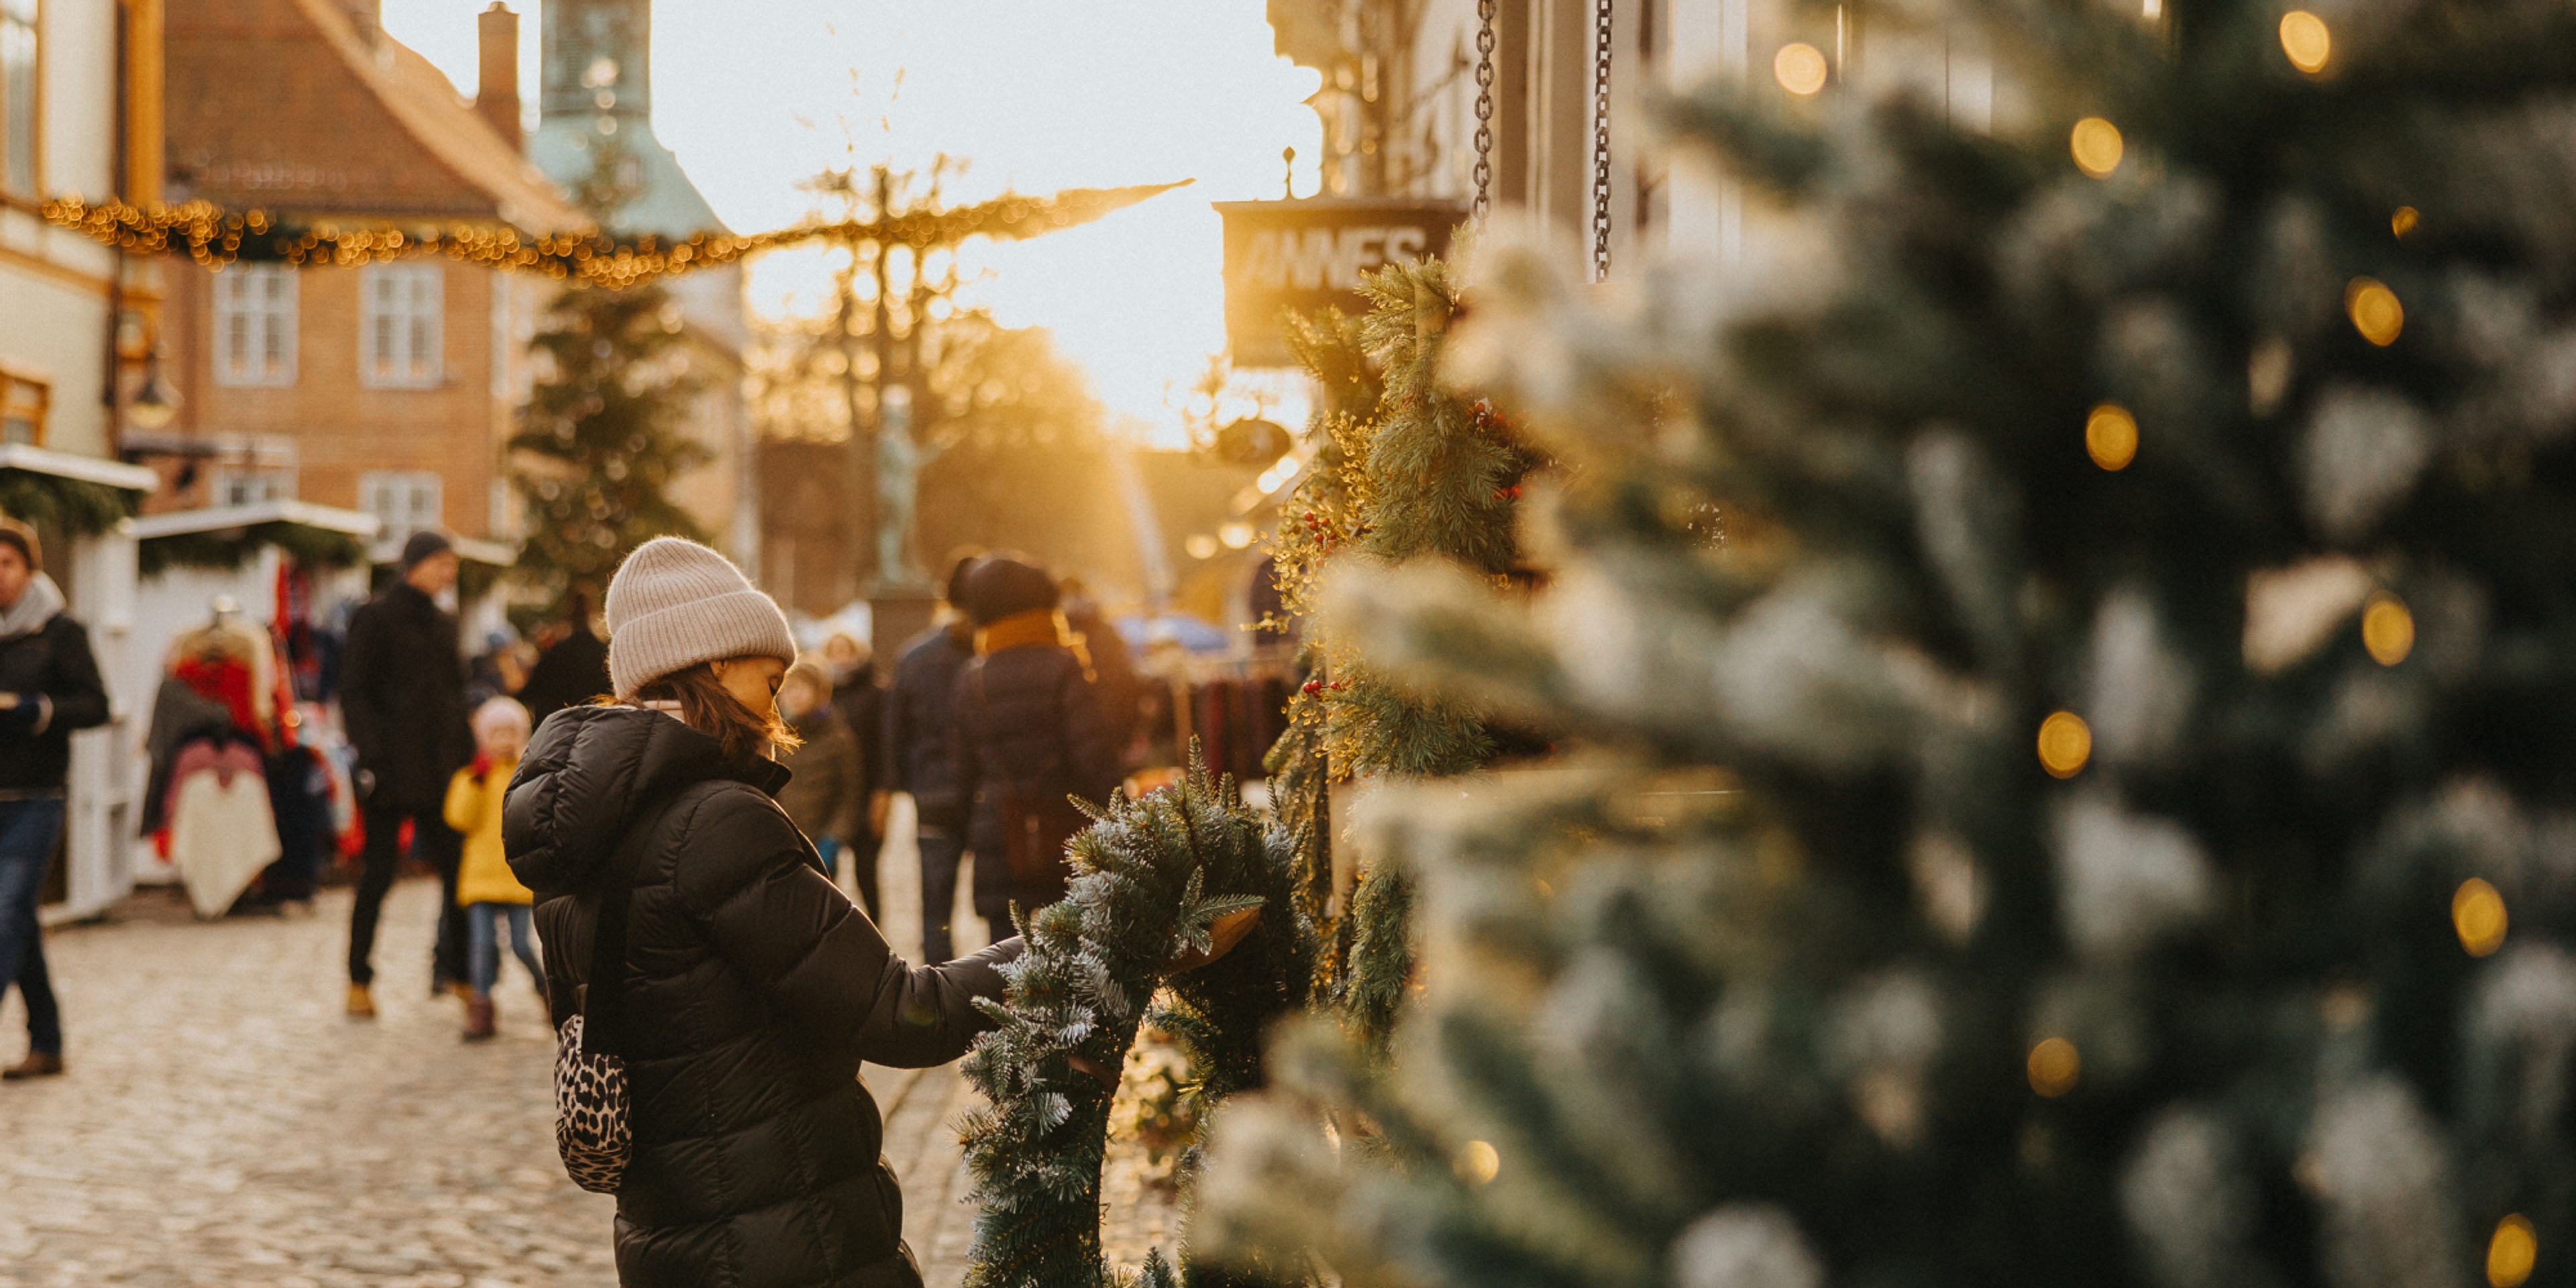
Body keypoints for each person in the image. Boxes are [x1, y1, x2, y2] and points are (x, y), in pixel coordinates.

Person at [506, 536, 1023, 1288]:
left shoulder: (579, 834)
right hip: (791, 1237)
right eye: (770, 678)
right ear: (713, 660)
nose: (777, 707)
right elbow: (903, 1013)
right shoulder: (717, 821)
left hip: (669, 1239)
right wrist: (1058, 942)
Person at [340, 530, 476, 1018]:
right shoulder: (374, 618)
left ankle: (461, 975)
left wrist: (466, 761)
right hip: (391, 774)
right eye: (443, 563)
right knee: (377, 876)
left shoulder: (444, 624)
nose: (449, 574)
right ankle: (359, 979)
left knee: (459, 877)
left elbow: (455, 698)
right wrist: (372, 760)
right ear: (415, 565)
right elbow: (354, 692)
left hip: (442, 773)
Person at [951, 555, 1122, 924]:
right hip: (1065, 827)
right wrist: (1118, 815)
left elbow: (963, 770)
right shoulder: (1063, 665)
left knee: (1002, 955)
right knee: (1078, 951)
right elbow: (1093, 756)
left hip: (1000, 831)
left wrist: (969, 831)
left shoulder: (972, 677)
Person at [0, 521, 107, 1080]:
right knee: (18, 922)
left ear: (29, 568)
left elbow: (95, 704)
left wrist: (34, 709)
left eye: (7, 564)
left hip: (35, 796)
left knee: (5, 915)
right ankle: (48, 1040)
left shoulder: (58, 630)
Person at [888, 551, 981, 963]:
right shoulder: (989, 653)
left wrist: (900, 787)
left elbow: (896, 734)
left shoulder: (913, 657)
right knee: (1003, 906)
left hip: (933, 793)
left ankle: (941, 993)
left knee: (936, 906)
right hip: (985, 793)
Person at [445, 696, 541, 1042]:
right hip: (481, 878)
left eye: (510, 732)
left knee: (522, 946)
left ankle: (547, 992)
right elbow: (458, 818)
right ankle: (481, 1008)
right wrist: (477, 782)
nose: (503, 740)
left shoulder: (528, 774)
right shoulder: (472, 777)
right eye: (496, 733)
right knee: (482, 945)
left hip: (516, 878)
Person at [773, 656, 865, 905]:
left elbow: (850, 794)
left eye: (802, 688)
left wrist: (834, 837)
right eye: (790, 689)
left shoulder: (839, 738)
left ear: (819, 692)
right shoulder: (780, 735)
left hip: (821, 841)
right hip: (785, 840)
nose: (795, 695)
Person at [820, 631, 888, 914]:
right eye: (833, 650)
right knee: (826, 873)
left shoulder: (876, 693)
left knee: (866, 872)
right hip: (831, 795)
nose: (840, 656)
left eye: (844, 650)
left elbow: (884, 747)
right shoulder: (822, 694)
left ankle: (877, 931)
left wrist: (882, 796)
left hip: (866, 792)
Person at [1059, 577, 1140, 769]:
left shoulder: (1059, 635)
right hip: (1109, 715)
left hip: (1083, 722)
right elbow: (1127, 679)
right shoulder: (1105, 630)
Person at [517, 590, 610, 729]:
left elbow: (530, 692)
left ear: (568, 613)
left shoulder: (555, 654)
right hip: (595, 731)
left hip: (557, 731)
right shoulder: (603, 654)